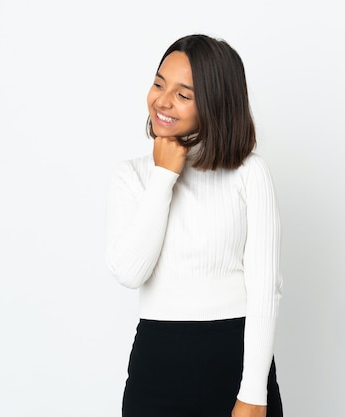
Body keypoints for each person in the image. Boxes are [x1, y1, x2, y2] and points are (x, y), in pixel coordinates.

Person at [105, 33, 284, 417]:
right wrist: (163, 176)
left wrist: (253, 392)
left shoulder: (249, 173)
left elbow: (265, 288)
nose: (162, 101)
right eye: (158, 84)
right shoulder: (132, 177)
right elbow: (130, 271)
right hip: (157, 363)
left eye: (183, 95)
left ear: (216, 103)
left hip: (233, 361)